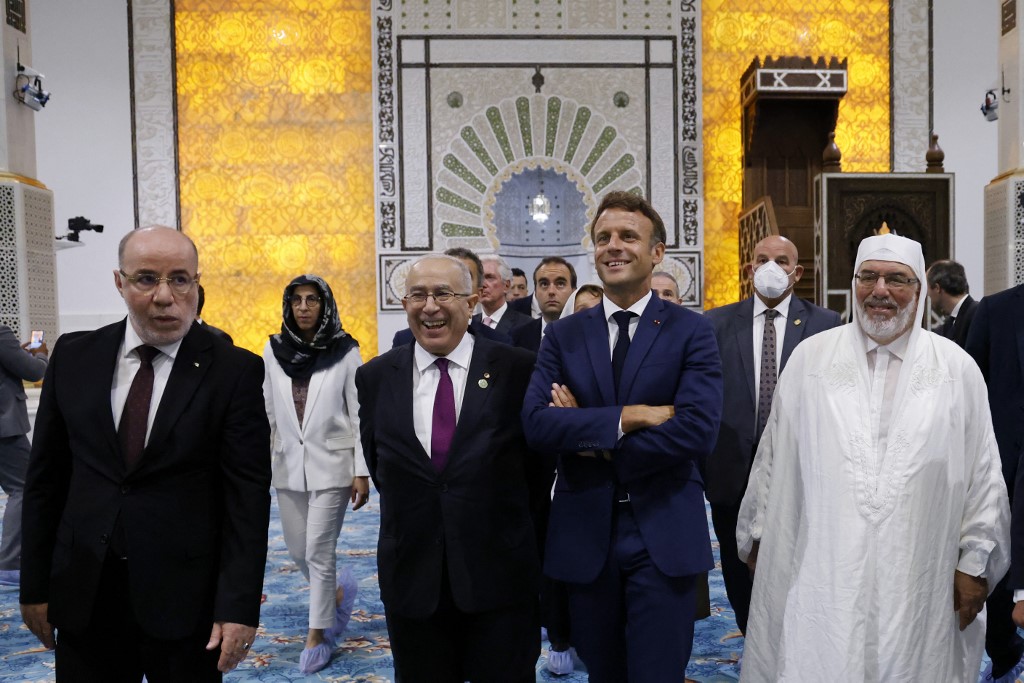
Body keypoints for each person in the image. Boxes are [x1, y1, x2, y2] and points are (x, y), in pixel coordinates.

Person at [737, 233, 1010, 681]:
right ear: (854, 283)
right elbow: (774, 458)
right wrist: (760, 533)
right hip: (823, 563)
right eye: (869, 277)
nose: (880, 290)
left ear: (920, 290)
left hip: (922, 566)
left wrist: (975, 564)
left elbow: (983, 475)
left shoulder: (956, 370)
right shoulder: (811, 360)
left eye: (897, 279)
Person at [19, 226, 272, 680]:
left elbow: (246, 500)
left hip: (186, 602)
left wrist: (238, 607)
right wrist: (34, 586)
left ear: (197, 283)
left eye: (180, 279)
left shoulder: (234, 371)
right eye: (146, 279)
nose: (164, 296)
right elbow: (46, 481)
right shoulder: (75, 356)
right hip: (86, 593)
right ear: (120, 282)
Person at [523, 191, 723, 682]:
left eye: (628, 236)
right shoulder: (565, 335)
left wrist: (589, 437)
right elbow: (537, 424)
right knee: (604, 673)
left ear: (656, 252)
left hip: (662, 528)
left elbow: (697, 430)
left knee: (658, 674)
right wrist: (628, 418)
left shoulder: (690, 331)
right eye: (603, 238)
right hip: (586, 531)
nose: (613, 247)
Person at [356, 255, 542, 682]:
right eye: (417, 295)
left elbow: (536, 472)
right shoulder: (376, 377)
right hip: (413, 583)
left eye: (443, 293)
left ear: (472, 301)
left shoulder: (516, 369)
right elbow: (383, 468)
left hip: (499, 580)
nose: (430, 306)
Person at [703, 235, 841, 635]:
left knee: (795, 564)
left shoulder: (826, 325)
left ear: (797, 273)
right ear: (749, 270)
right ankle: (752, 642)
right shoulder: (715, 323)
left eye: (781, 260)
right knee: (736, 566)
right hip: (730, 469)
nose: (770, 267)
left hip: (798, 469)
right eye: (761, 259)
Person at [263, 274, 370, 673]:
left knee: (318, 550)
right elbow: (270, 410)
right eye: (297, 301)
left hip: (334, 465)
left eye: (312, 300)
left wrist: (362, 470)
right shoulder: (273, 350)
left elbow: (360, 414)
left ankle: (318, 632)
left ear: (325, 306)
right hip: (287, 463)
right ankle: (337, 596)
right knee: (296, 549)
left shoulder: (345, 351)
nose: (304, 308)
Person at [966, 282, 1024, 682]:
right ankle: (1006, 656)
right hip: (1006, 469)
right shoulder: (997, 309)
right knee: (1000, 575)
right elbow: (971, 393)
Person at [0, 325, 48, 586]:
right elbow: (34, 371)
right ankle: (10, 564)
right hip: (4, 428)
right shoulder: (1, 333)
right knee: (22, 487)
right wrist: (40, 355)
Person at [392, 247, 511, 347]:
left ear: (475, 297)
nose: (430, 307)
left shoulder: (499, 344)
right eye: (418, 295)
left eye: (466, 277)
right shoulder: (403, 340)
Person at [510, 256, 577, 352]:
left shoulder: (587, 333)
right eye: (544, 284)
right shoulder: (518, 336)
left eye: (560, 283)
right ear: (535, 292)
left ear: (573, 291)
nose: (551, 291)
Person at [473, 254, 532, 334]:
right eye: (479, 278)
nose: (483, 284)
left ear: (506, 286)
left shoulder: (527, 325)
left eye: (490, 277)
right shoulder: (468, 324)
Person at [927, 259, 977, 348]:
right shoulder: (946, 326)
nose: (927, 294)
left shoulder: (978, 314)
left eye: (927, 287)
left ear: (937, 288)